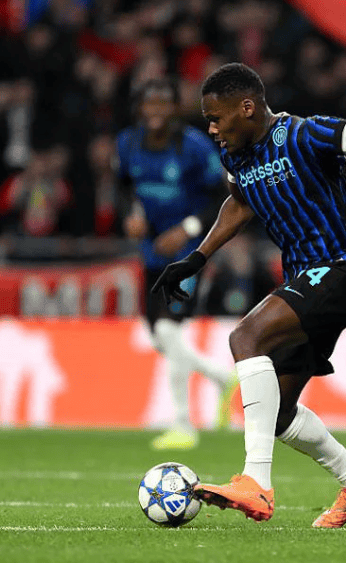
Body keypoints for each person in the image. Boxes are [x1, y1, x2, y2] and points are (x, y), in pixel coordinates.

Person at [151, 62, 346, 528]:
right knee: (277, 413)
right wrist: (197, 257)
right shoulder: (236, 156)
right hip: (308, 277)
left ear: (246, 108)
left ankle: (256, 483)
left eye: (216, 118)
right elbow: (240, 202)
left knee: (245, 338)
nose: (211, 129)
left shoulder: (305, 134)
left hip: (345, 269)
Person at [115, 77, 235, 451]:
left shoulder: (195, 147)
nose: (155, 111)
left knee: (168, 330)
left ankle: (184, 424)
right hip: (152, 251)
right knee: (158, 337)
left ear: (174, 109)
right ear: (140, 108)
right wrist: (131, 214)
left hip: (188, 253)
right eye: (149, 104)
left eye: (163, 104)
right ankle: (221, 377)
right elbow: (123, 188)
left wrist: (188, 229)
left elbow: (223, 195)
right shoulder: (127, 143)